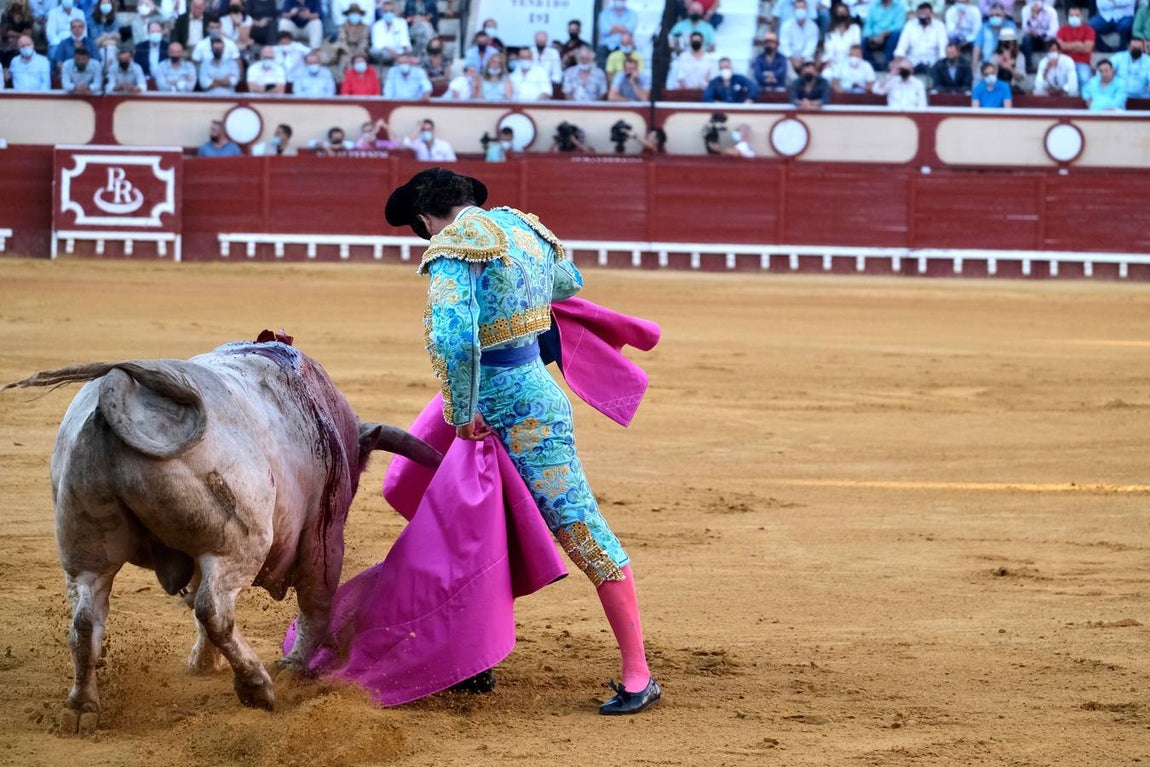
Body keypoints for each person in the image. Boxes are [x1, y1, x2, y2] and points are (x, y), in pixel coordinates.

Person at [383, 167, 661, 716]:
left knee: (472, 515)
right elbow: (568, 283)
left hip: (486, 407)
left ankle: (638, 673)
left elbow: (453, 337)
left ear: (423, 220)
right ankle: (481, 653)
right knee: (502, 520)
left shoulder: (453, 246)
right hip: (536, 395)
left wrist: (462, 414)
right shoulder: (526, 229)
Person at [894, 2, 948, 74]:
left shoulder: (939, 26)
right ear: (917, 14)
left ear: (931, 14)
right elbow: (902, 45)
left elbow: (943, 47)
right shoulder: (910, 25)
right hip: (912, 62)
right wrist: (898, 58)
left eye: (926, 14)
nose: (924, 17)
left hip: (932, 62)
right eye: (921, 14)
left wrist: (942, 62)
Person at [1057, 6, 1096, 92]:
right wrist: (1078, 44)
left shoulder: (1089, 30)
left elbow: (1087, 49)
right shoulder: (1062, 30)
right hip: (1065, 62)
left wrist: (1067, 46)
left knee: (1084, 78)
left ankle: (1084, 101)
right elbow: (1059, 46)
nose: (1074, 17)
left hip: (1082, 62)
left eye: (1076, 15)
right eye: (1071, 15)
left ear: (1081, 16)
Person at [779, 0, 820, 77]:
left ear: (807, 9)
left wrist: (802, 58)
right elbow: (784, 45)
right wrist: (792, 58)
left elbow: (811, 46)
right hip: (790, 57)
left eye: (802, 8)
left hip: (806, 57)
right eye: (798, 8)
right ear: (794, 9)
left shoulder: (813, 27)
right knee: (786, 66)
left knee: (809, 66)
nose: (800, 10)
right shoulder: (786, 26)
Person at [863, 0, 907, 69]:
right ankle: (873, 67)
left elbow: (899, 25)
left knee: (895, 35)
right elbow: (868, 24)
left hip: (890, 35)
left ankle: (887, 64)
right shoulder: (873, 5)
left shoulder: (899, 6)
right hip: (874, 36)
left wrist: (884, 34)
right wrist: (870, 35)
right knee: (863, 41)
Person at [1019, 0, 1058, 73]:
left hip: (1046, 38)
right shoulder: (1026, 10)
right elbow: (1025, 28)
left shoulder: (1051, 11)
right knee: (1026, 39)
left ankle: (1052, 64)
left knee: (1054, 41)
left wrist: (1043, 35)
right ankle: (1028, 66)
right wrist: (1033, 16)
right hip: (1033, 38)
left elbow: (1054, 30)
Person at [597, 0, 637, 67]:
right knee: (601, 55)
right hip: (607, 45)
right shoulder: (604, 13)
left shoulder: (632, 14)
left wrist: (614, 27)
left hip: (625, 45)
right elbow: (604, 30)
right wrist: (622, 28)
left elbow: (630, 29)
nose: (620, 1)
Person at [370, 1, 411, 65]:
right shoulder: (377, 25)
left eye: (391, 11)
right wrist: (390, 51)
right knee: (374, 51)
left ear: (394, 12)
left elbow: (405, 41)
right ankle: (398, 60)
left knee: (408, 50)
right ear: (381, 12)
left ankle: (400, 60)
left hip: (399, 51)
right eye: (386, 11)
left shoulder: (401, 22)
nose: (389, 13)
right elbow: (377, 44)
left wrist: (402, 52)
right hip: (384, 52)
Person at [332, 4, 371, 70]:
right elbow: (342, 40)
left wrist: (357, 53)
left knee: (360, 60)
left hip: (360, 51)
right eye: (352, 13)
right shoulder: (343, 26)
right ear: (349, 15)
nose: (354, 15)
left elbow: (364, 41)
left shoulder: (364, 27)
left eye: (356, 13)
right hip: (346, 50)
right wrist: (349, 52)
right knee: (344, 60)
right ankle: (342, 79)